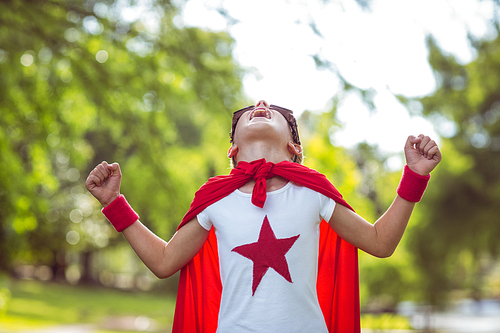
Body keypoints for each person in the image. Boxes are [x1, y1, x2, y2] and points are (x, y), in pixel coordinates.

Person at [85, 100, 441, 333]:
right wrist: (115, 203)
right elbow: (164, 262)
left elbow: (380, 243)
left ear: (295, 148)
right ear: (233, 149)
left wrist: (415, 176)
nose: (260, 104)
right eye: (245, 111)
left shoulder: (313, 190)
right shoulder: (215, 198)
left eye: (279, 111)